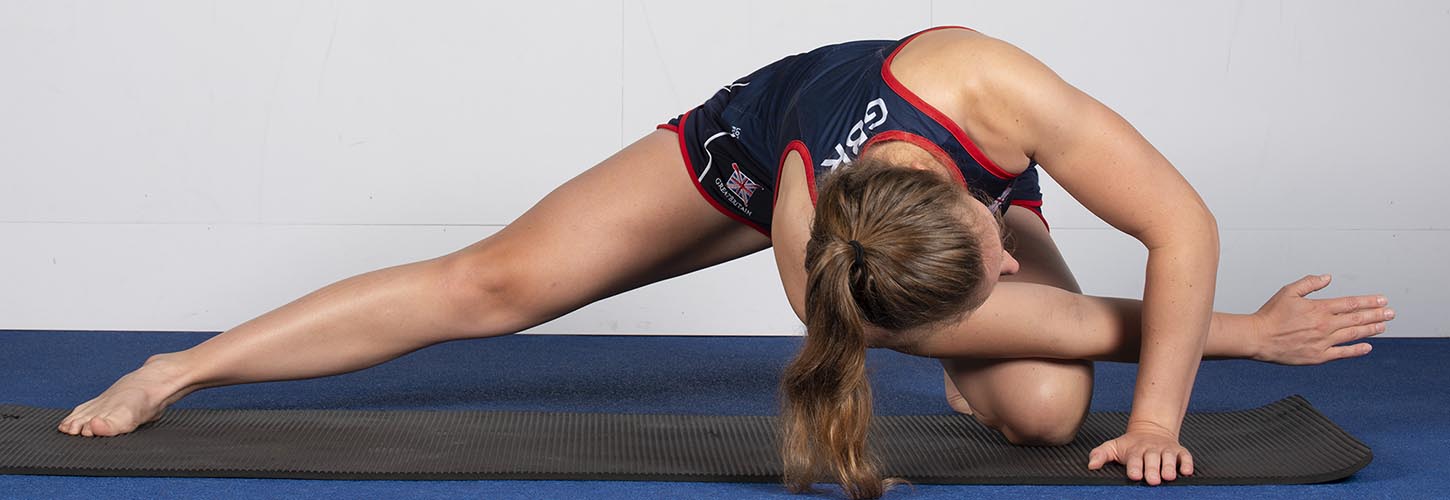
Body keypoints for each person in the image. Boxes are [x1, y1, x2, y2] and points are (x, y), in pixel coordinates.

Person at [57, 26, 1393, 498]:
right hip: (757, 142)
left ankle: (1012, 290)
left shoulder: (985, 84)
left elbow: (1178, 224)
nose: (1005, 280)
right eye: (993, 287)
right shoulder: (828, 265)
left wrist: (1160, 411)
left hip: (911, 175)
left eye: (991, 272)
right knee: (487, 288)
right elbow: (961, 314)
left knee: (1049, 419)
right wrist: (1241, 336)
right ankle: (187, 366)